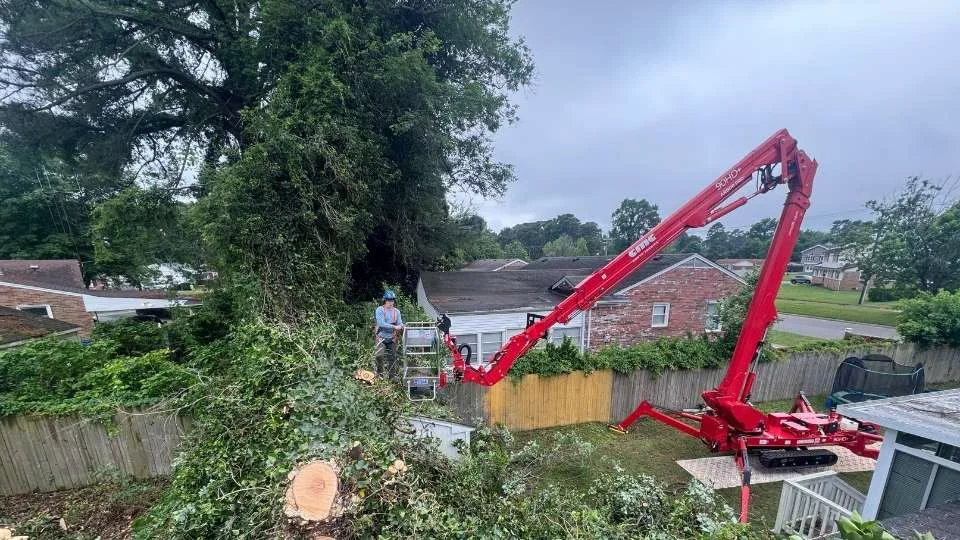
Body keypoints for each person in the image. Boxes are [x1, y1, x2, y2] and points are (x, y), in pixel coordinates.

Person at [374, 290, 404, 378]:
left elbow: (400, 323)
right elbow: (381, 323)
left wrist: (401, 326)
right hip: (381, 337)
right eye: (389, 300)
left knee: (393, 357)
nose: (391, 303)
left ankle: (392, 376)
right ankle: (380, 375)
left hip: (392, 337)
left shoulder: (396, 312)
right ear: (385, 300)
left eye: (392, 300)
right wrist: (394, 327)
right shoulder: (380, 310)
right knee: (379, 356)